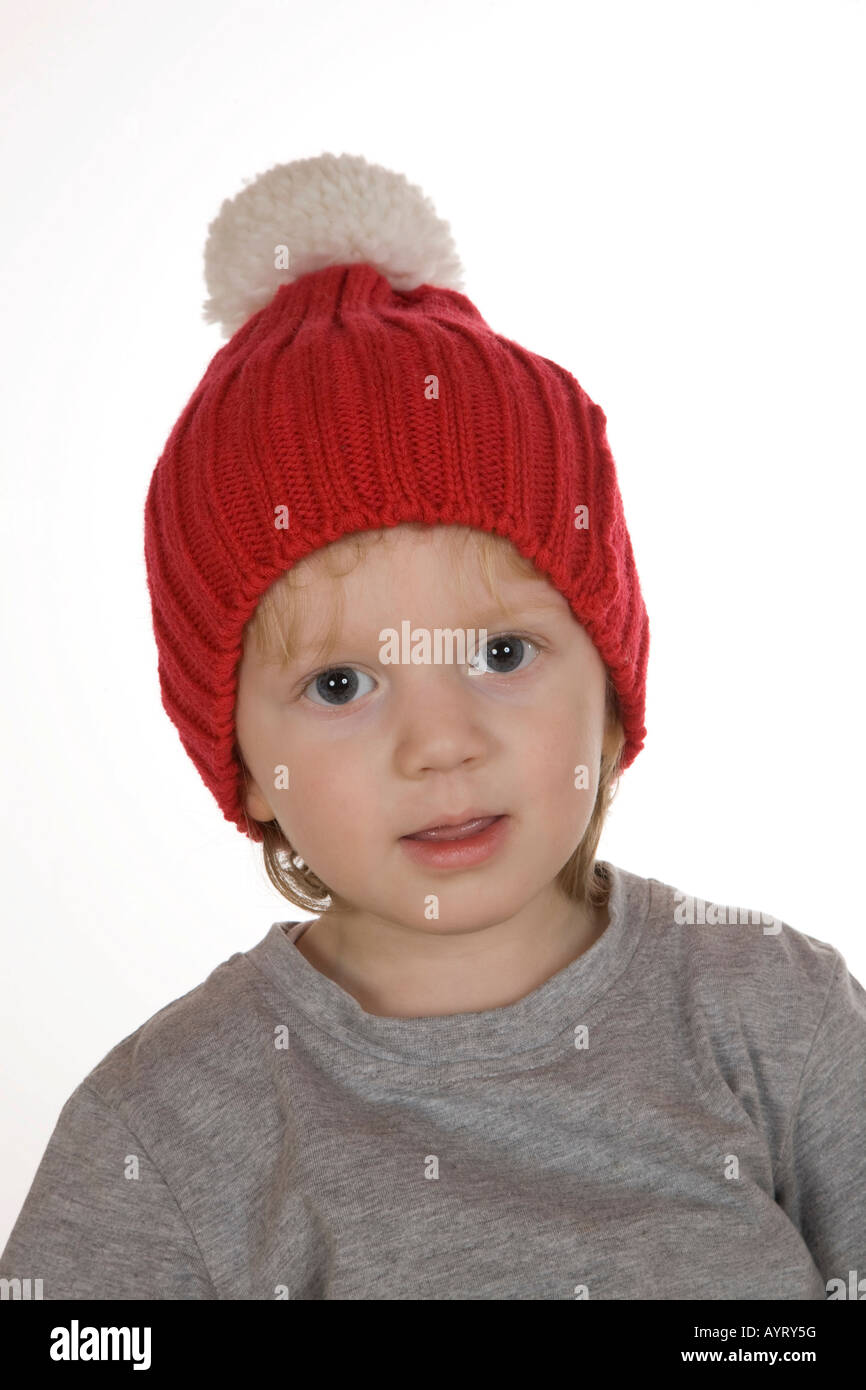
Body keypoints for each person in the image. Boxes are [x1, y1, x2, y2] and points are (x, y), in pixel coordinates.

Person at [1, 153, 863, 1301]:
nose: (440, 742)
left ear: (607, 685)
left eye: (502, 654)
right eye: (342, 684)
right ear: (246, 759)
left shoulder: (776, 1017)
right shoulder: (162, 1132)